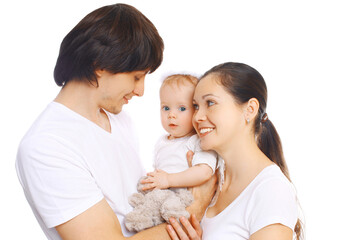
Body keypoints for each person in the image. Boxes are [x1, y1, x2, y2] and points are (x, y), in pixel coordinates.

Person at [15, 4, 216, 240]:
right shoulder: (46, 147)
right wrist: (196, 206)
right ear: (99, 66)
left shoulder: (119, 120)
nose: (140, 91)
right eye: (136, 77)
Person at [166, 62, 303, 240]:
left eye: (210, 103)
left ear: (250, 109)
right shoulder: (205, 180)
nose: (197, 117)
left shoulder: (271, 191)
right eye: (196, 106)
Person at [141, 74, 218, 191]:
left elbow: (204, 172)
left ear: (196, 111)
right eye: (166, 108)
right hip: (162, 197)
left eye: (182, 108)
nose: (171, 115)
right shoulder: (162, 141)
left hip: (183, 201)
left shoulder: (198, 141)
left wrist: (168, 180)